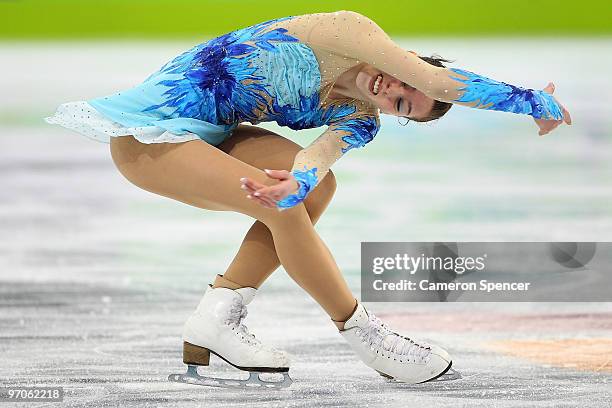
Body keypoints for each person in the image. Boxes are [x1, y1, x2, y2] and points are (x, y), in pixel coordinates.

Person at [45, 10, 571, 387]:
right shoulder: (350, 30)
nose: (393, 90)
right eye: (404, 79)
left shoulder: (358, 121)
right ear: (404, 59)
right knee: (286, 209)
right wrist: (534, 101)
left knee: (314, 193)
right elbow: (437, 80)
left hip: (212, 132)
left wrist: (294, 183)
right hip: (149, 134)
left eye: (403, 105)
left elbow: (314, 162)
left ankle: (218, 316)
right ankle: (367, 337)